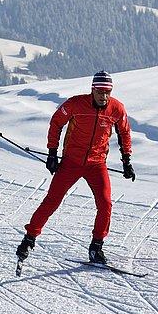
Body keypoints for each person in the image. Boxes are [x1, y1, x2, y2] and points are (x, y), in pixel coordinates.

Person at [17, 71, 136, 265]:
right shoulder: (76, 104)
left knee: (105, 204)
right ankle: (29, 238)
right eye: (100, 91)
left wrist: (127, 161)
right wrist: (52, 153)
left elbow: (124, 132)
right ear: (92, 89)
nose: (103, 96)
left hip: (97, 165)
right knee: (52, 200)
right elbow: (56, 123)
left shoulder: (117, 109)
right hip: (71, 162)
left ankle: (96, 246)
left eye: (107, 92)